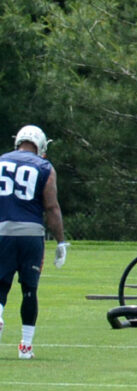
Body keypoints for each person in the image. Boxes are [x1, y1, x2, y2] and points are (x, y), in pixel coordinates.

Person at [1, 124, 66, 359]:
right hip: (30, 233)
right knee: (29, 289)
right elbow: (51, 207)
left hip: (2, 231)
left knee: (0, 284)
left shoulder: (1, 161)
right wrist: (60, 241)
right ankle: (26, 346)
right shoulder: (44, 167)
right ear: (40, 145)